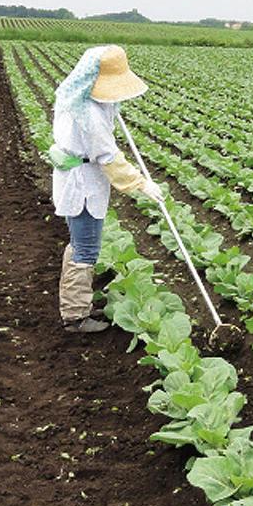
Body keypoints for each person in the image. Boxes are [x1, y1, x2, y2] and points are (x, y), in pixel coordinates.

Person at [49, 45, 163, 333]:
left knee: (79, 242)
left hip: (77, 176)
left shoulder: (75, 100)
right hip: (83, 183)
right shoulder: (89, 113)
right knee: (85, 249)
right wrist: (141, 183)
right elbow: (108, 157)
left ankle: (78, 303)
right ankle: (75, 316)